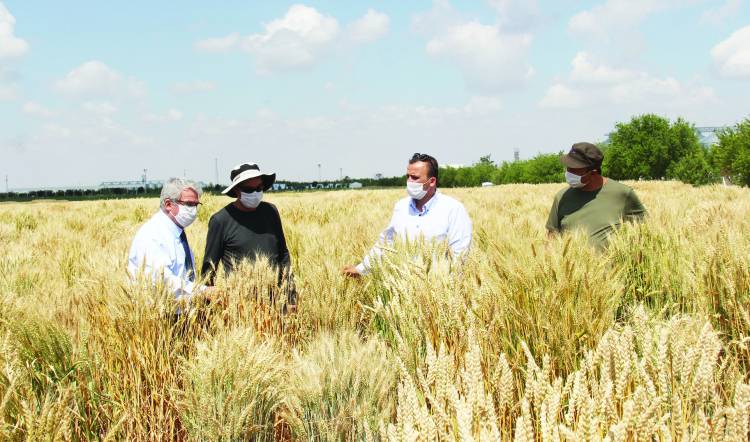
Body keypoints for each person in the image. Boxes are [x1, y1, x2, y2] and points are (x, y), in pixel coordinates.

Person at [343, 153, 472, 277]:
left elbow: (460, 255)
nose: (409, 181)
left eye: (415, 177)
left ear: (432, 181)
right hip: (405, 287)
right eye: (408, 176)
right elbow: (386, 243)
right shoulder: (401, 207)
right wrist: (361, 268)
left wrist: (448, 291)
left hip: (438, 289)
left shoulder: (453, 209)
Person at [202, 162, 296, 311]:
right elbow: (209, 270)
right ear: (237, 191)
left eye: (259, 188)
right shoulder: (220, 220)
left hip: (276, 301)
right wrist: (209, 310)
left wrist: (290, 295)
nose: (255, 193)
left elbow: (283, 254)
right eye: (249, 189)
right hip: (240, 306)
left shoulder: (271, 211)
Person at [546, 142, 646, 249]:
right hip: (571, 264)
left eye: (574, 169)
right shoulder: (561, 197)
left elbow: (645, 229)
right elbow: (552, 236)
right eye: (568, 167)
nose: (569, 172)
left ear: (593, 172)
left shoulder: (622, 193)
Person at [127, 177, 206, 300]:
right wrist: (202, 291)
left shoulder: (176, 232)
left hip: (181, 311)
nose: (194, 210)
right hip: (160, 315)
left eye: (196, 205)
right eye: (189, 204)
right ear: (168, 204)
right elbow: (161, 280)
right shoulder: (153, 234)